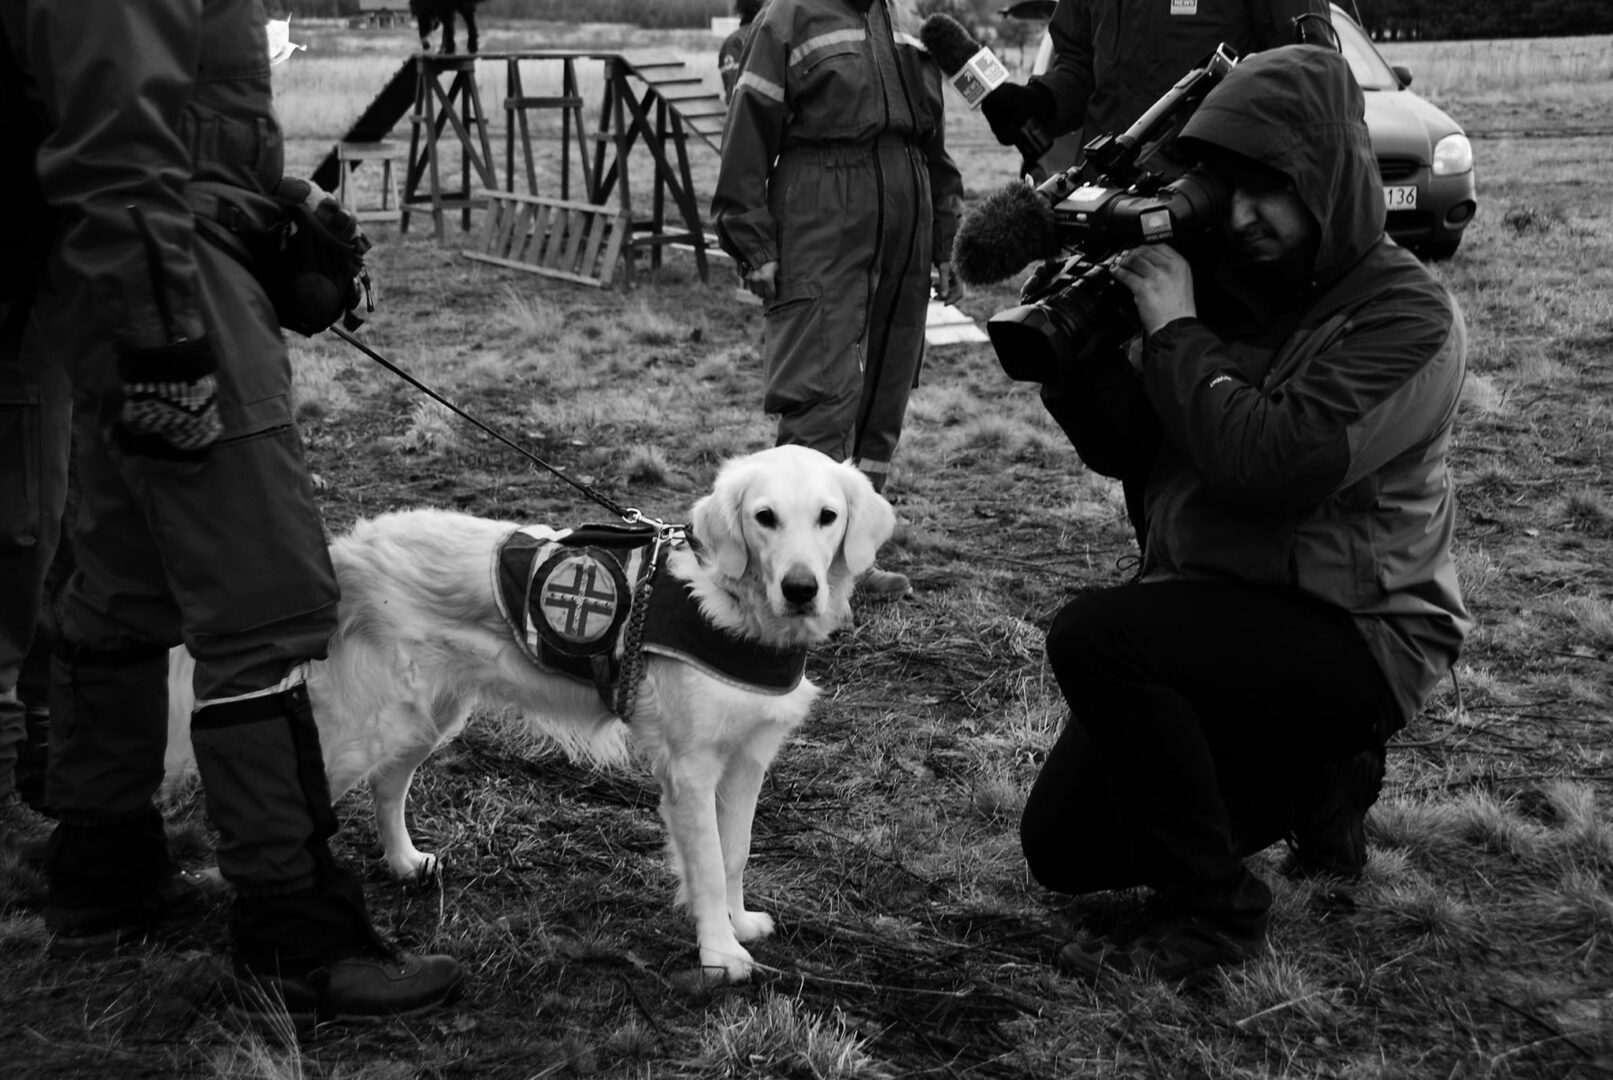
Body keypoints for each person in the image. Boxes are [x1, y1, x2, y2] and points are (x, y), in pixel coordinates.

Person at [2, 0, 464, 1022]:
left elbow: (182, 122)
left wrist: (278, 205)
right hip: (161, 278)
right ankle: (296, 930)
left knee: (122, 582)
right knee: (262, 605)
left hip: (144, 265)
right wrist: (167, 339)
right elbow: (116, 141)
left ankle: (103, 864)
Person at [1017, 45, 1471, 984]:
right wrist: (1081, 358)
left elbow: (1269, 467)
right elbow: (1135, 451)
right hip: (1219, 610)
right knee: (1065, 850)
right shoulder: (1234, 285)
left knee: (1100, 638)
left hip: (1354, 632)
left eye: (1273, 192)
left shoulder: (1408, 319)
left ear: (1331, 183)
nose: (1244, 216)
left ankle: (1217, 918)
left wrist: (1177, 330)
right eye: (1231, 190)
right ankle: (1316, 780)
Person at [711, 0, 967, 600]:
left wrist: (946, 237)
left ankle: (851, 562)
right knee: (821, 389)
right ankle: (788, 572)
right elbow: (746, 129)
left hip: (909, 212)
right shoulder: (789, 16)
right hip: (821, 217)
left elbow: (934, 142)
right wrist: (752, 241)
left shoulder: (910, 19)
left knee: (885, 389)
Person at [981, 0, 1333, 178]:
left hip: (1208, 206)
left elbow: (1310, 75)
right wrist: (1041, 102)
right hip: (1104, 196)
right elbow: (1079, 62)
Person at [718, 0, 765, 105]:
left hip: (746, 115)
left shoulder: (734, 42)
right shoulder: (771, 35)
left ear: (739, 12)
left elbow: (733, 93)